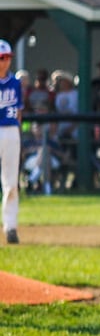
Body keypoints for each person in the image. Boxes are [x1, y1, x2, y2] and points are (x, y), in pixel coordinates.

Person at [0, 40, 20, 243]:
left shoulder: (15, 83)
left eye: (7, 58)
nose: (5, 62)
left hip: (11, 131)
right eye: (1, 58)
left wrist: (17, 134)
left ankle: (10, 227)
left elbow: (19, 111)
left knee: (11, 183)